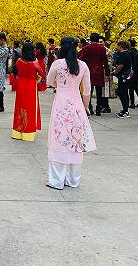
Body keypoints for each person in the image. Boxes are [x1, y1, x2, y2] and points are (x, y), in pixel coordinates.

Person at [46, 37, 96, 190]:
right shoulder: (83, 66)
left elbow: (49, 81)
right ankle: (73, 180)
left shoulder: (58, 64)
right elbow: (87, 90)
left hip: (61, 104)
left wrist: (58, 85)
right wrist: (86, 107)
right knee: (75, 140)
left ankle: (56, 181)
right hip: (77, 106)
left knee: (59, 139)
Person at [12, 42, 42, 141]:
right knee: (30, 108)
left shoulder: (19, 61)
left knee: (20, 106)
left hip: (21, 85)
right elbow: (42, 74)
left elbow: (15, 71)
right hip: (31, 87)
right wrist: (37, 79)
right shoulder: (35, 63)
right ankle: (28, 133)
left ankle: (17, 132)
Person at [78, 33, 111, 116]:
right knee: (99, 91)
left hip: (88, 72)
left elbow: (81, 59)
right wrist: (107, 73)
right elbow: (105, 61)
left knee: (88, 90)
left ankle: (89, 108)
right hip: (99, 71)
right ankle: (98, 109)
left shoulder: (86, 48)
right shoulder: (102, 49)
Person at [112, 41, 133, 118]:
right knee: (124, 92)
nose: (116, 47)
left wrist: (114, 72)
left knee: (121, 92)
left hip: (123, 77)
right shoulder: (127, 53)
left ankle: (126, 111)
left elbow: (121, 66)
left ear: (120, 46)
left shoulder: (123, 54)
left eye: (117, 46)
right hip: (126, 77)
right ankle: (125, 109)